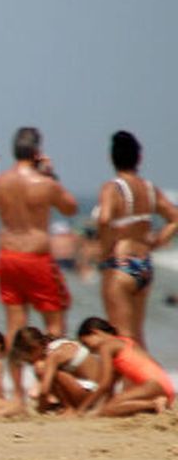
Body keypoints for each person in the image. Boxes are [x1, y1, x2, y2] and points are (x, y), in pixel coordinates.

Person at [0, 127, 78, 340]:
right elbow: (71, 208)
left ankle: (13, 374)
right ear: (36, 152)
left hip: (8, 256)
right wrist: (50, 174)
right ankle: (49, 371)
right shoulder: (45, 183)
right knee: (55, 324)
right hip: (37, 258)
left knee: (15, 326)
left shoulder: (0, 182)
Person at [95, 131, 178, 348]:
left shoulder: (112, 188)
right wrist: (156, 241)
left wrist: (104, 251)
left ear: (111, 158)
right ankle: (145, 380)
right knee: (137, 336)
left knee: (121, 338)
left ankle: (139, 382)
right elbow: (174, 219)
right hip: (144, 265)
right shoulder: (149, 189)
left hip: (119, 265)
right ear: (139, 158)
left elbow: (104, 219)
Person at [75, 316, 174, 416]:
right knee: (111, 408)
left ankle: (153, 404)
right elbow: (111, 383)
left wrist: (82, 409)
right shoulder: (125, 341)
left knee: (109, 409)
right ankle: (156, 404)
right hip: (166, 387)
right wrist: (104, 405)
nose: (89, 350)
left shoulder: (106, 346)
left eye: (86, 343)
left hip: (152, 385)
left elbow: (104, 383)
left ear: (94, 332)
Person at [9, 325, 103, 412]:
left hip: (91, 396)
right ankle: (66, 405)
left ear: (35, 347)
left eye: (27, 356)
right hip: (97, 393)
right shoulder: (58, 344)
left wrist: (40, 409)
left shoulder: (54, 356)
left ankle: (68, 408)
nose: (28, 360)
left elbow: (44, 391)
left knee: (41, 369)